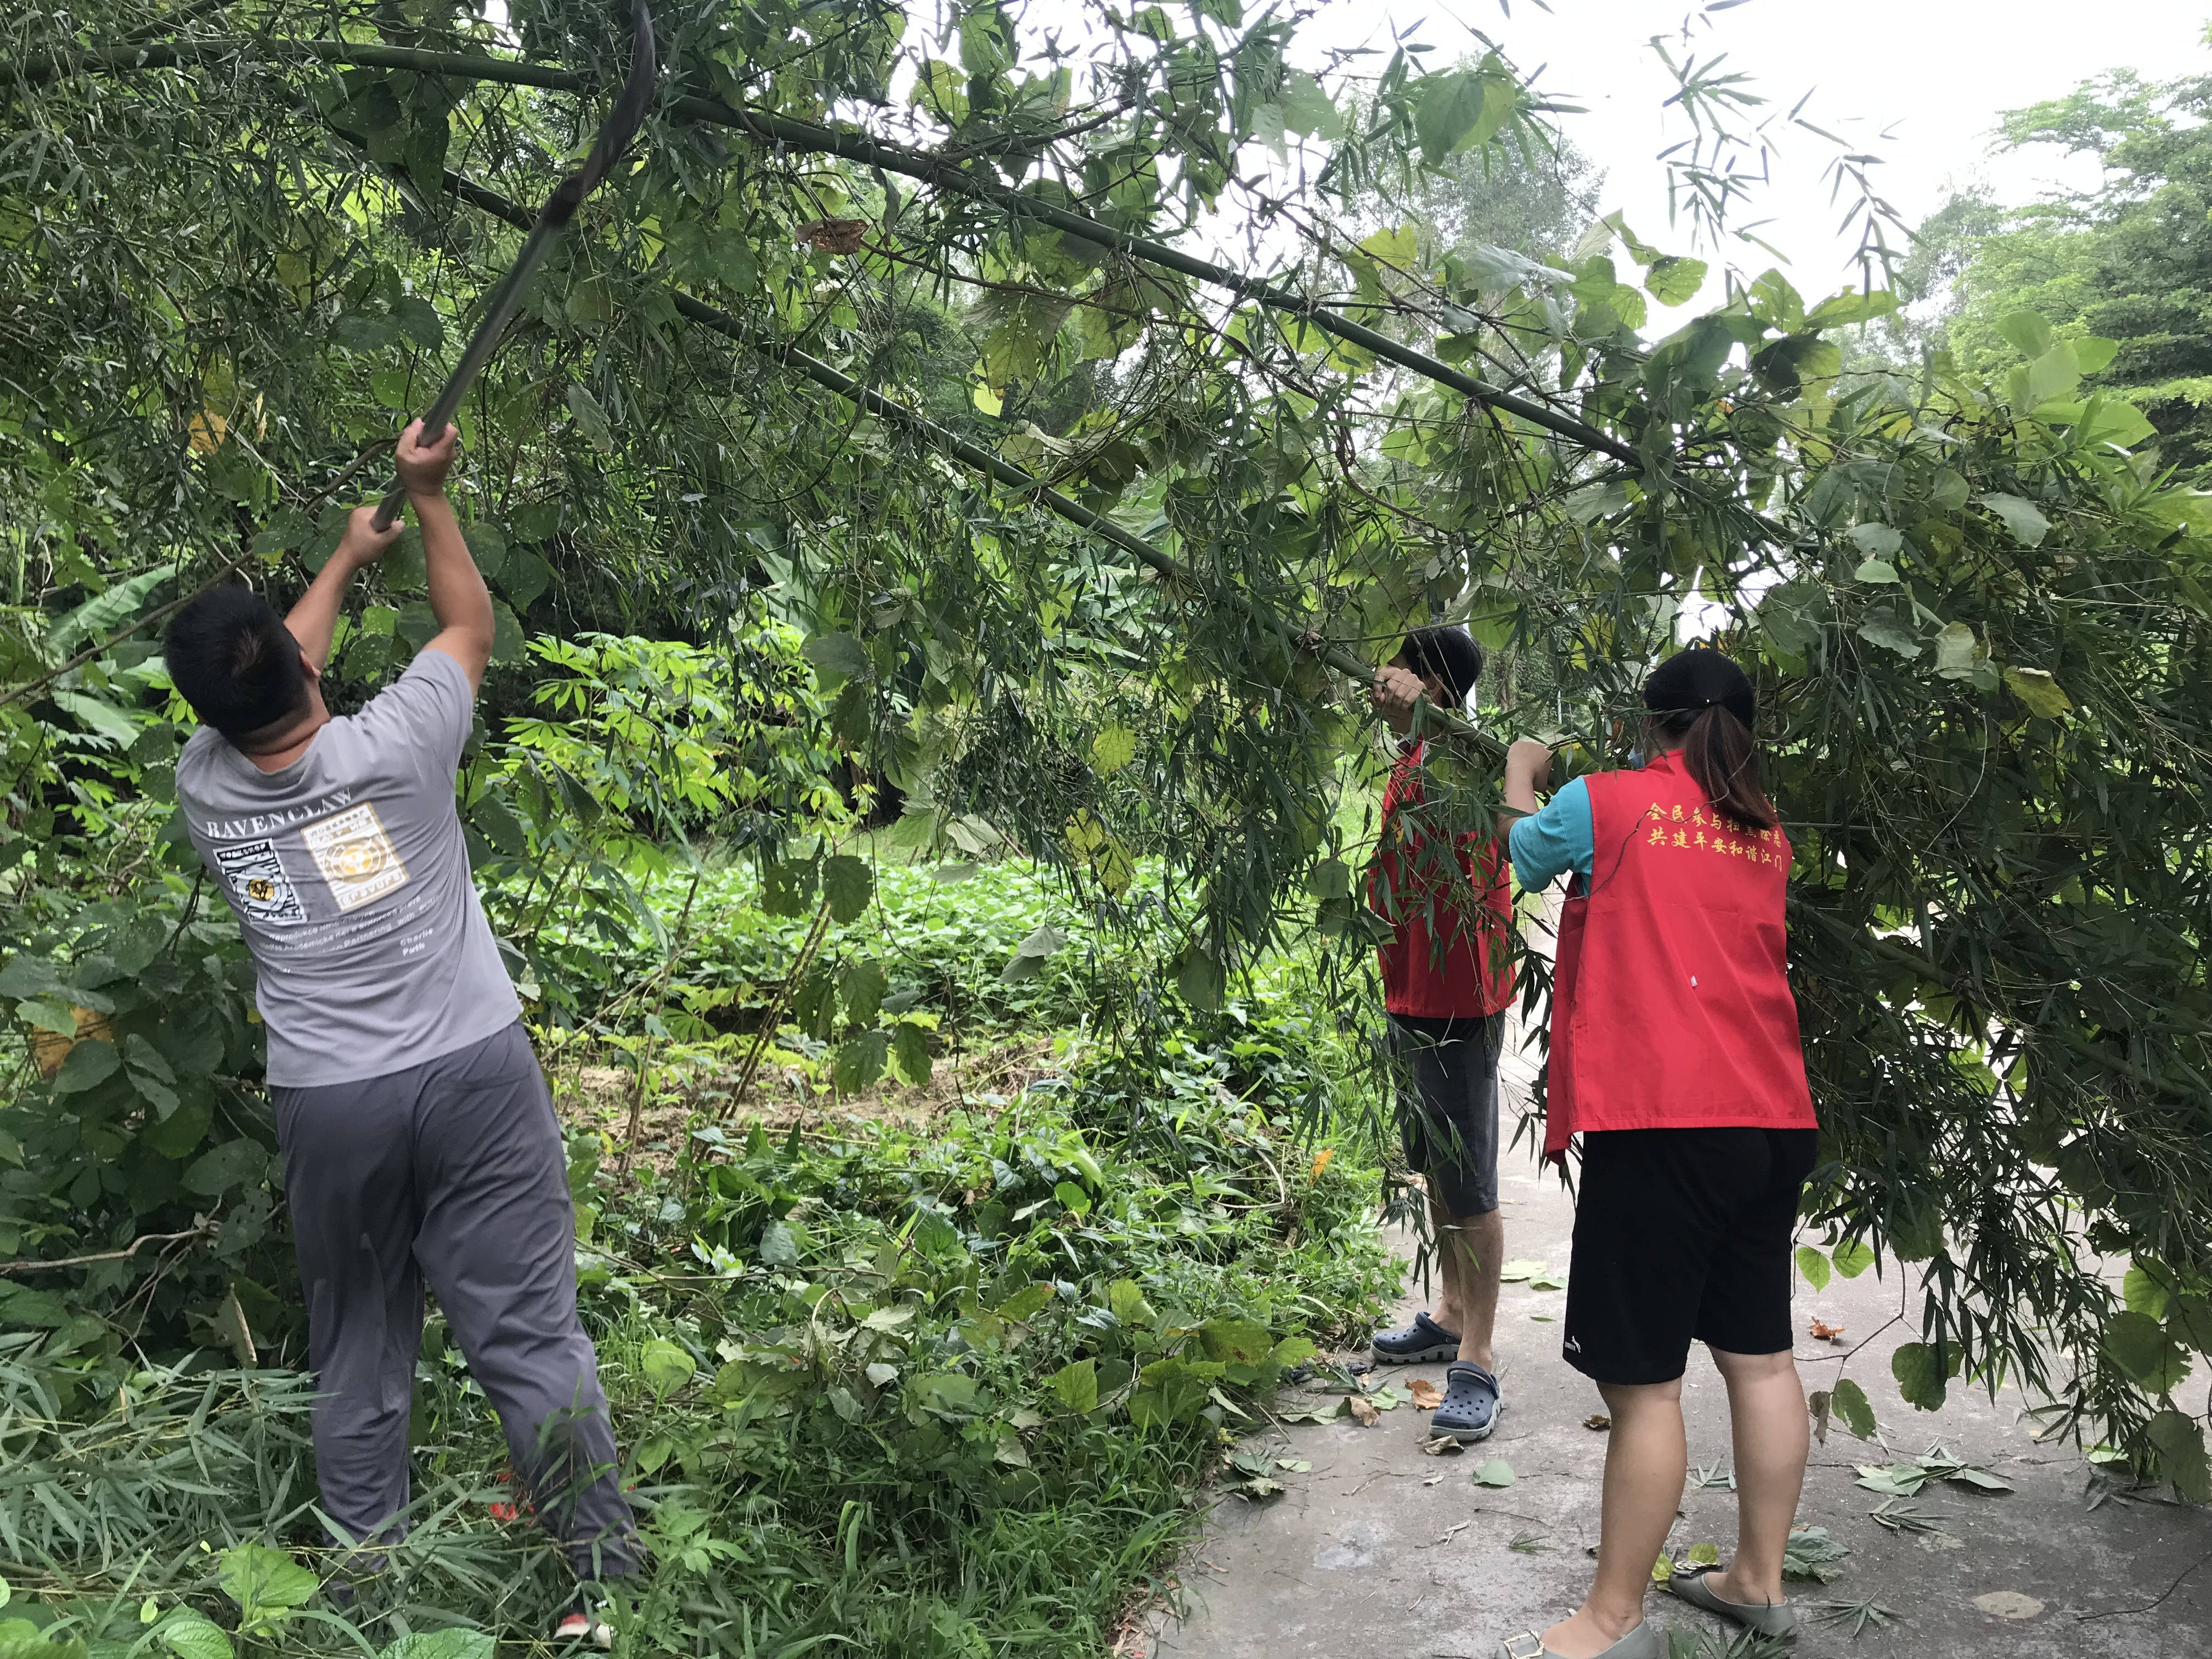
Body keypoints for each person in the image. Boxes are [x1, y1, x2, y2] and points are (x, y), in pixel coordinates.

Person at [167, 421, 633, 1648]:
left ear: (210, 705)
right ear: (300, 671)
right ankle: (609, 1590)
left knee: (360, 1349)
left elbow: (266, 684)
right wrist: (427, 503)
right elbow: (469, 625)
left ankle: (372, 1598)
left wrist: (338, 562)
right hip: (473, 1073)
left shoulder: (205, 788)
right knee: (527, 1329)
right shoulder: (400, 749)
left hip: (336, 1100)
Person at [1486, 646, 1818, 1659]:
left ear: (1652, 724)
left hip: (1667, 1122)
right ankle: (1756, 1581)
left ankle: (1610, 1620)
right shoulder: (1770, 837)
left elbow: (1521, 857)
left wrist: (1517, 773)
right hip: (1773, 1122)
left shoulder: (1611, 800)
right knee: (1759, 1361)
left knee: (1645, 1389)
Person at [1364, 625, 1517, 1443]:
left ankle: (1481, 1360)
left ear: (1431, 683)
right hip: (1412, 994)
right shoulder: (1414, 756)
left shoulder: (1464, 756)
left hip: (1461, 998)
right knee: (1434, 1166)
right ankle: (1451, 1315)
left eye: (1395, 669)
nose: (1377, 682)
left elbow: (1511, 798)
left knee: (1473, 1185)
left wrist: (1433, 721)